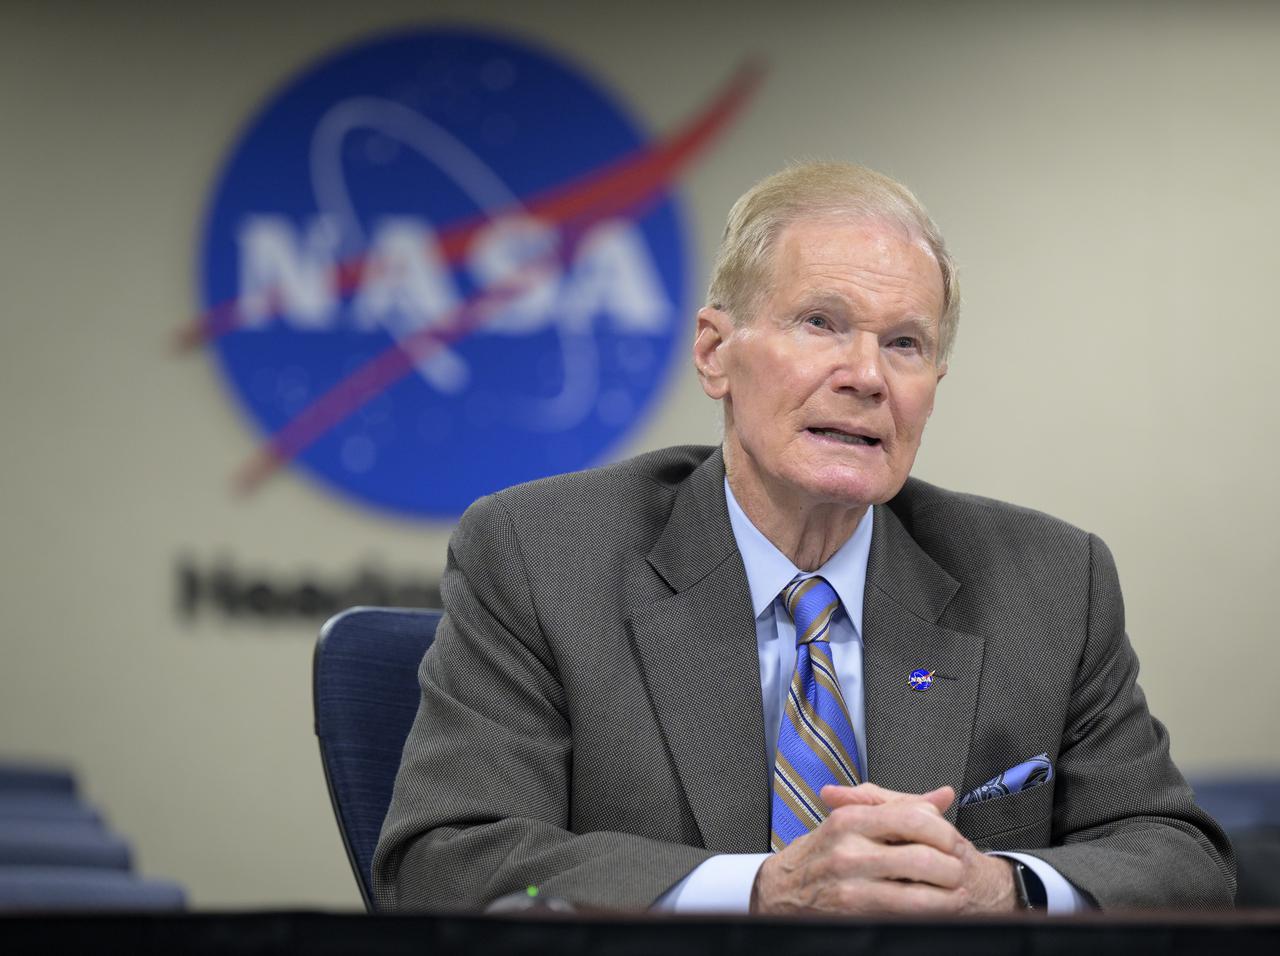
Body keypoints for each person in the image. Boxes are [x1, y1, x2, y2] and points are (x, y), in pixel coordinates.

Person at [372, 162, 1235, 914]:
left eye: (904, 344)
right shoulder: (539, 555)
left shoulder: (1049, 581)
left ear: (933, 386)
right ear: (715, 352)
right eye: (820, 323)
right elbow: (446, 863)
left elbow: (1179, 858)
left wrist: (1000, 889)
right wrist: (757, 892)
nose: (864, 377)